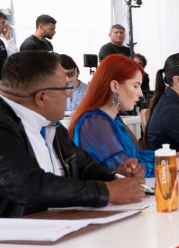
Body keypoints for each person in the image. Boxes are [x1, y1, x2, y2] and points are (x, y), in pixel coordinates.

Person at [0, 51, 144, 217]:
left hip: (58, 226)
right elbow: (27, 183)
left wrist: (115, 176)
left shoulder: (50, 123)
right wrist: (105, 192)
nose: (69, 94)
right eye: (65, 88)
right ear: (41, 98)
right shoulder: (4, 126)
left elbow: (83, 166)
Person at [70, 55, 157, 176]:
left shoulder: (112, 119)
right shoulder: (95, 122)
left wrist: (169, 156)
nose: (140, 94)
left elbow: (135, 157)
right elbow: (125, 168)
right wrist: (170, 163)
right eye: (136, 86)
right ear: (115, 86)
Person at [0, 11, 16, 80]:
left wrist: (8, 38)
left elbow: (13, 57)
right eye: (2, 23)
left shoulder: (1, 42)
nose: (5, 26)